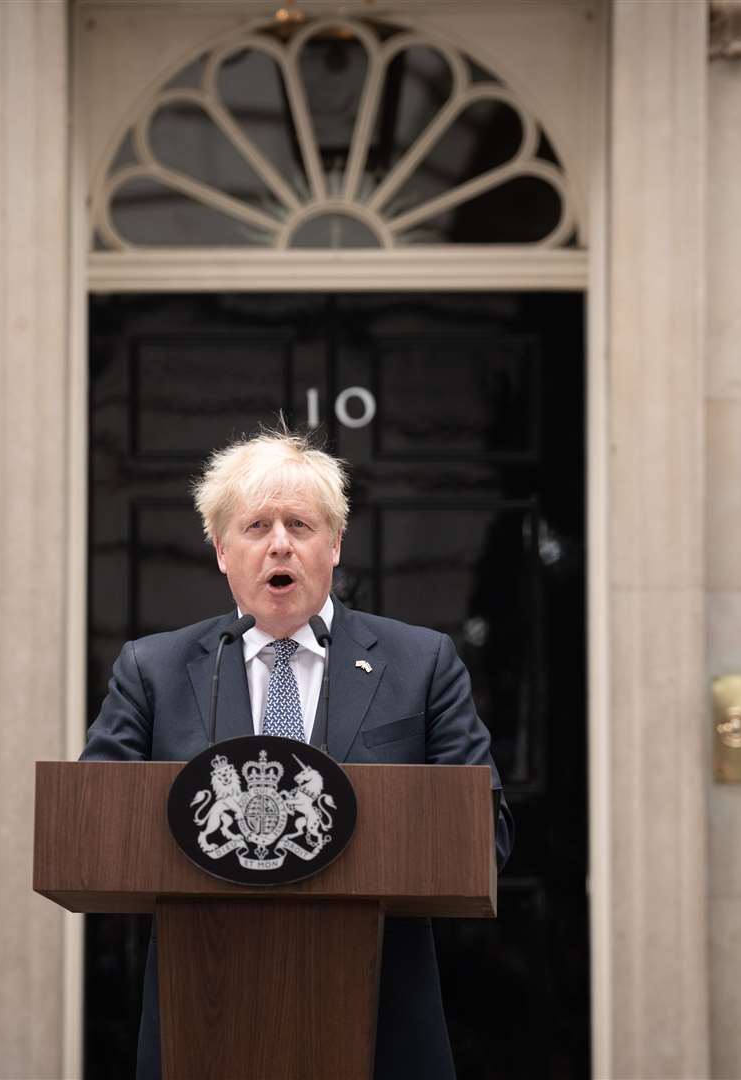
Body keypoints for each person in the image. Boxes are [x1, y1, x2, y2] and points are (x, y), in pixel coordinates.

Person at [80, 428, 514, 1080]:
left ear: (334, 545)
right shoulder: (155, 670)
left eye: (300, 524)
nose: (280, 542)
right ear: (221, 549)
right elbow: (93, 827)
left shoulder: (421, 665)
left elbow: (488, 835)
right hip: (206, 1019)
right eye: (256, 525)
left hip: (380, 1027)